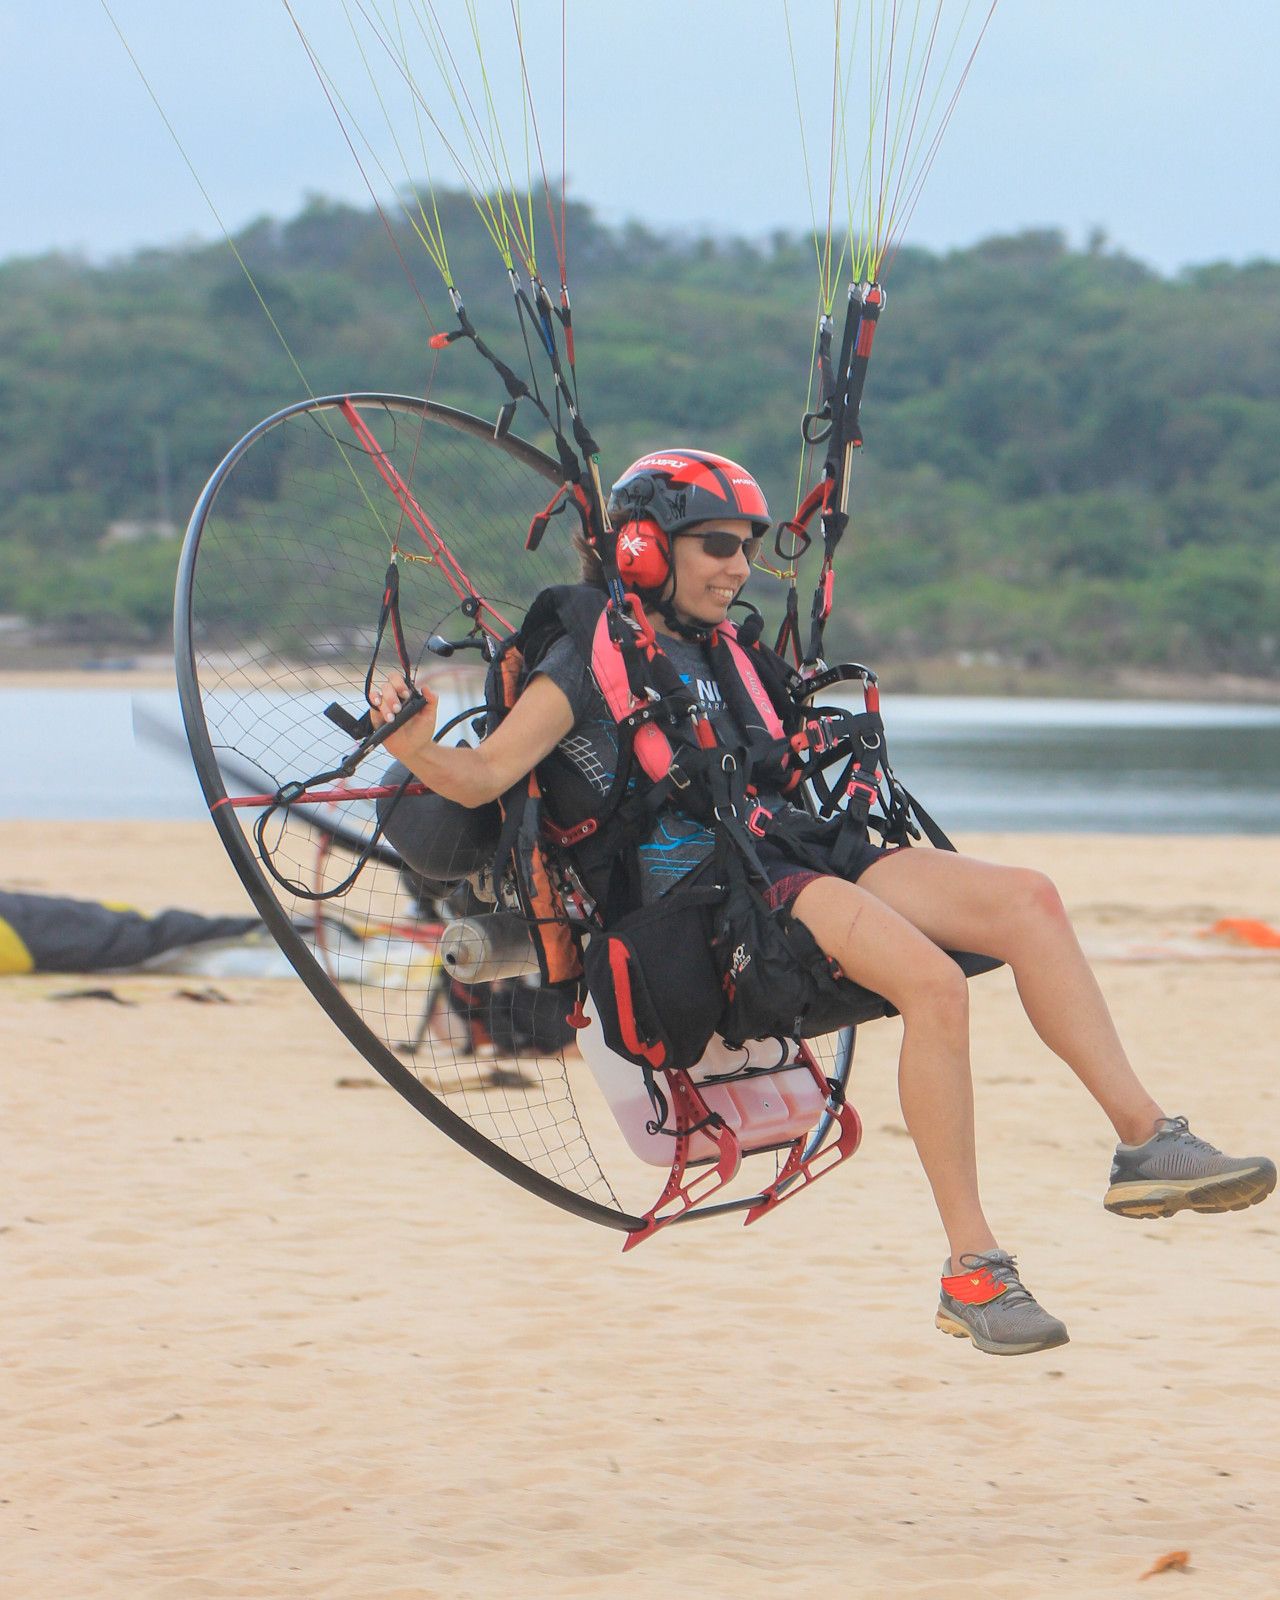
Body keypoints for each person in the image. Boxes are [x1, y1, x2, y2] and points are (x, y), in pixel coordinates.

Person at [371, 448, 1276, 1357]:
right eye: (718, 545)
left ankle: (1145, 1144)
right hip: (716, 905)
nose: (738, 566)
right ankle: (974, 1269)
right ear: (643, 547)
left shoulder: (726, 650)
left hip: (790, 854)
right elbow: (486, 771)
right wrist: (411, 747)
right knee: (935, 986)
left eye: (748, 548)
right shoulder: (582, 659)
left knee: (1029, 902)